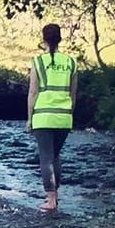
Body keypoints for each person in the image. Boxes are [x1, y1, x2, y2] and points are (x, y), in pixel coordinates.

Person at [26, 23, 78, 213]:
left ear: (44, 39)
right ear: (60, 38)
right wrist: (69, 114)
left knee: (46, 157)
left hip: (43, 116)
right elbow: (73, 94)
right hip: (64, 117)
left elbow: (33, 92)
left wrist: (30, 119)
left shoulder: (38, 61)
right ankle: (56, 194)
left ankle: (51, 198)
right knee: (55, 156)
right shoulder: (71, 62)